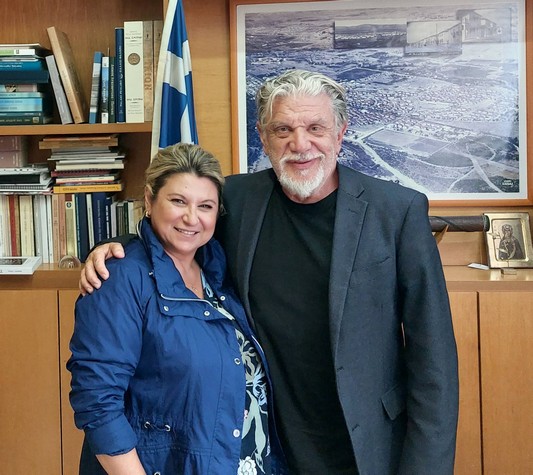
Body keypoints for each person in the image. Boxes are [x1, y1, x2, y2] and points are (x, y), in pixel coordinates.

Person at [80, 70, 459, 475]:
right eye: (283, 129)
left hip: (365, 444)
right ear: (263, 136)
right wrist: (115, 248)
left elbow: (433, 357)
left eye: (315, 128)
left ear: (341, 133)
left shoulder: (396, 210)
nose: (300, 144)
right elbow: (176, 227)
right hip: (269, 446)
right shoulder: (237, 199)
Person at [69, 143, 284, 475]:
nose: (191, 218)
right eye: (178, 201)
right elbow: (97, 403)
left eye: (205, 206)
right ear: (149, 200)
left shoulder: (218, 271)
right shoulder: (119, 278)